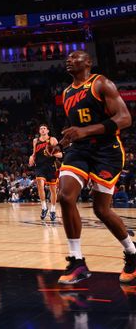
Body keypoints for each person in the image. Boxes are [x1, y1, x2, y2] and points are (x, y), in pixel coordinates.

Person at [56, 50, 133, 285]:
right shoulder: (66, 92)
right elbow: (77, 127)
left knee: (102, 210)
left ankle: (132, 253)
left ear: (88, 62)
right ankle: (77, 261)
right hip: (79, 150)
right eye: (67, 58)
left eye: (75, 57)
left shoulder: (101, 83)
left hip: (106, 152)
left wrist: (84, 132)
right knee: (65, 196)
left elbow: (125, 118)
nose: (69, 60)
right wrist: (62, 142)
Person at [29, 124, 62, 222]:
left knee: (53, 189)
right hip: (40, 166)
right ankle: (44, 207)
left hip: (51, 166)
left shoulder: (52, 140)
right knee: (40, 184)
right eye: (41, 129)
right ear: (39, 131)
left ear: (48, 131)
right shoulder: (36, 141)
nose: (42, 130)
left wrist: (52, 153)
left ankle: (52, 210)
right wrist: (31, 157)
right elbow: (34, 153)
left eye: (44, 128)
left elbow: (60, 154)